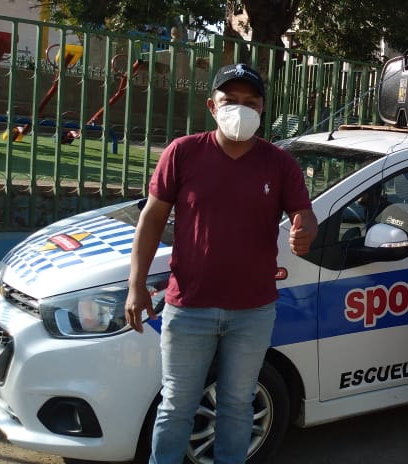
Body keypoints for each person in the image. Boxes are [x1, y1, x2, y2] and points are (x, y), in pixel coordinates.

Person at [124, 63, 318, 464]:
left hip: (253, 311)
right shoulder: (183, 152)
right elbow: (152, 219)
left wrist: (306, 230)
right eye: (231, 100)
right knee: (176, 405)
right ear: (212, 106)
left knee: (237, 405)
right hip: (188, 307)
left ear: (263, 109)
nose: (240, 109)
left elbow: (304, 213)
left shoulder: (279, 163)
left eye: (251, 102)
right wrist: (135, 285)